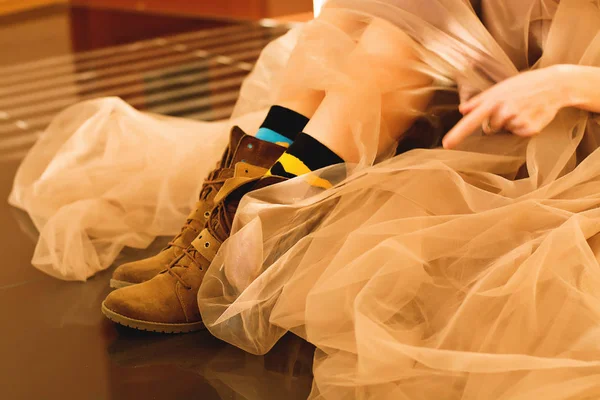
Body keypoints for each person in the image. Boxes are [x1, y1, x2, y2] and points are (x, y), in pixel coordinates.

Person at [11, 0, 600, 398]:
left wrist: (565, 82)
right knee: (373, 26)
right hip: (493, 83)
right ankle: (245, 212)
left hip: (570, 121)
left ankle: (249, 235)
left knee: (401, 40)